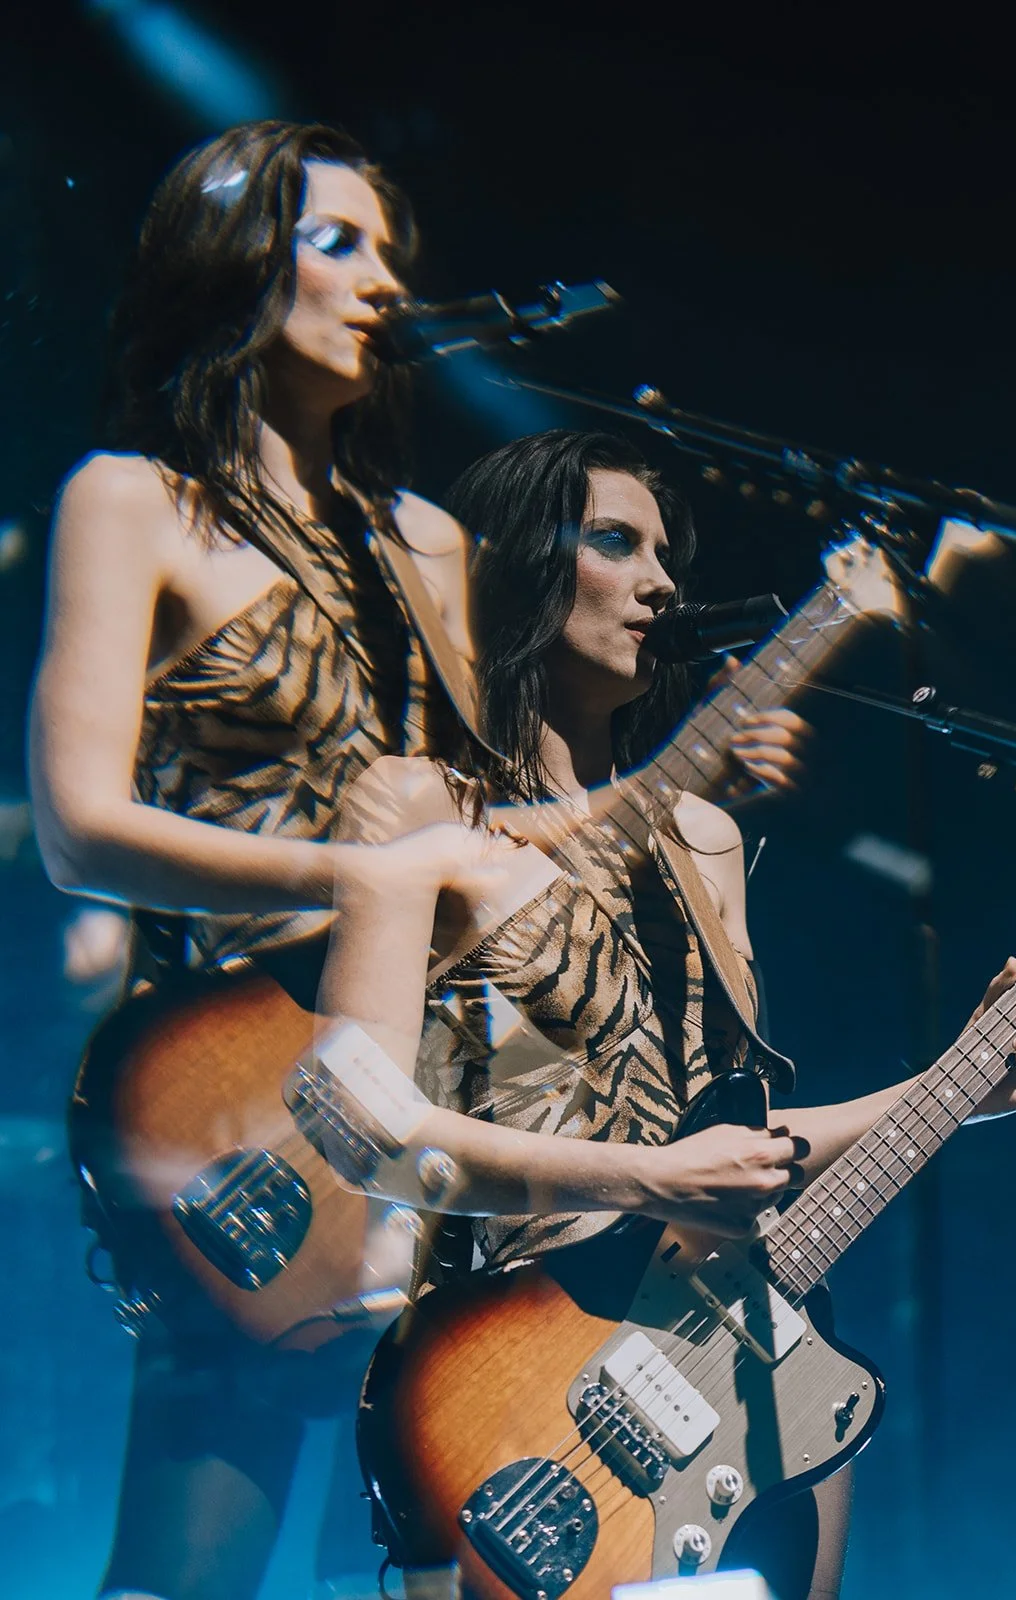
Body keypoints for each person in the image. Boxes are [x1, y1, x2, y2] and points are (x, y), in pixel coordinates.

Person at [28, 128, 801, 1600]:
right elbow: (77, 829)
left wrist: (682, 762)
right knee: (192, 1554)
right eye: (338, 244)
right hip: (232, 1089)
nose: (383, 280)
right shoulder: (130, 501)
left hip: (429, 1079)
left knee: (409, 1547)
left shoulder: (426, 543)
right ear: (234, 265)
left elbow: (484, 809)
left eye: (391, 250)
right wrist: (365, 878)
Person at [313, 429, 1016, 1600]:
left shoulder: (704, 846)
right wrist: (641, 1181)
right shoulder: (418, 806)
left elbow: (740, 1144)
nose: (662, 582)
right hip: (512, 1374)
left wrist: (963, 1087)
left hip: (736, 1372)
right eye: (617, 541)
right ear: (515, 562)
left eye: (666, 550)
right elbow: (355, 1129)